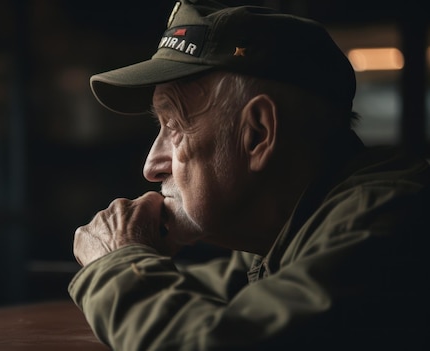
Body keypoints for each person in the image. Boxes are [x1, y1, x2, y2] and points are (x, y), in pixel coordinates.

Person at [68, 1, 430, 350]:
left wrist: (117, 261)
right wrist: (125, 258)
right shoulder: (286, 233)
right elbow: (212, 296)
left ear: (257, 134)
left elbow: (209, 342)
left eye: (174, 127)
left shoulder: (387, 216)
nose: (151, 166)